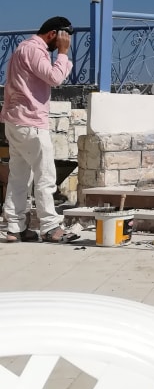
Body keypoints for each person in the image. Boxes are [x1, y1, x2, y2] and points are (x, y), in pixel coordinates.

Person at [1, 17, 74, 242]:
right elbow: (55, 78)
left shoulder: (22, 48)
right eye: (63, 37)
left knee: (19, 177)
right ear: (52, 34)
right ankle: (51, 227)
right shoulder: (35, 50)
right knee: (45, 176)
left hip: (15, 121)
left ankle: (15, 228)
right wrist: (63, 54)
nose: (65, 42)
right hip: (31, 122)